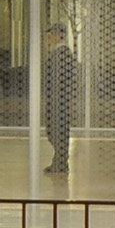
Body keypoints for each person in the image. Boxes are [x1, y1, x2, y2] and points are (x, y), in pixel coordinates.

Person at [40, 23, 78, 176]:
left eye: (52, 34)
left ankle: (61, 161)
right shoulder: (59, 52)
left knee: (57, 129)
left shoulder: (62, 53)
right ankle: (59, 160)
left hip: (59, 98)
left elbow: (62, 77)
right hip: (56, 98)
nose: (49, 37)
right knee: (54, 129)